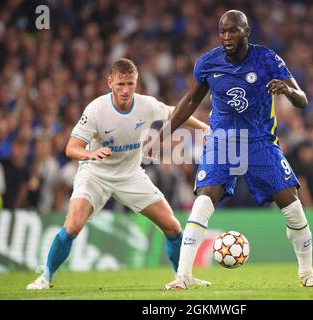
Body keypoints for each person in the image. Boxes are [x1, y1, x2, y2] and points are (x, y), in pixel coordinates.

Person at [163, 10, 313, 290]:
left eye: (233, 31)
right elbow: (191, 100)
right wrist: (165, 132)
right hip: (223, 141)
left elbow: (302, 99)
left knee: (292, 205)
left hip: (259, 143)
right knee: (204, 199)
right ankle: (182, 276)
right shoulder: (207, 63)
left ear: (247, 31)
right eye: (223, 32)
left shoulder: (267, 59)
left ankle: (307, 274)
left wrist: (288, 92)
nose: (227, 37)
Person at [26, 58, 210, 289]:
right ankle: (46, 277)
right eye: (121, 84)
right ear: (110, 82)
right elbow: (71, 148)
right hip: (95, 175)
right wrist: (89, 154)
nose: (125, 90)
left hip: (131, 175)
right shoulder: (96, 110)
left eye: (130, 84)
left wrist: (204, 127)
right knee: (72, 226)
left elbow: (176, 112)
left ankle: (182, 277)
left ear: (136, 83)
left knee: (173, 227)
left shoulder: (146, 105)